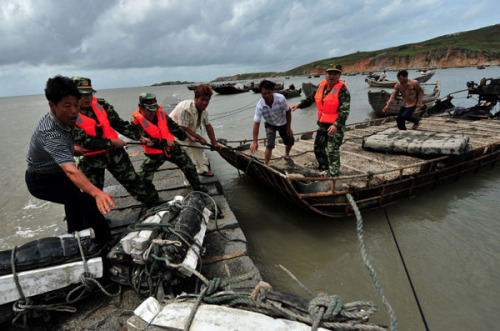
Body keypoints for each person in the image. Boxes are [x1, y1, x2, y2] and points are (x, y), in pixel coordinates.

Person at [25, 76, 114, 243]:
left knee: (73, 202)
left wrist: (71, 149)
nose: (74, 111)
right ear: (52, 105)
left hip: (56, 173)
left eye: (76, 104)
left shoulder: (63, 117)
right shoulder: (50, 133)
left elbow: (55, 147)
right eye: (67, 106)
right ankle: (106, 245)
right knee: (87, 201)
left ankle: (76, 238)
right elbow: (70, 170)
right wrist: (97, 193)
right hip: (41, 181)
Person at [71, 76, 158, 206]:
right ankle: (96, 222)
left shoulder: (101, 104)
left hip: (114, 154)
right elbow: (85, 141)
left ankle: (155, 205)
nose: (88, 97)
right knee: (92, 195)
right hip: (90, 159)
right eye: (83, 95)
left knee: (135, 183)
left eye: (90, 93)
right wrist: (111, 143)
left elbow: (119, 123)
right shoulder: (68, 114)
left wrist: (139, 137)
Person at [131, 93, 206, 193]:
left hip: (171, 148)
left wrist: (189, 137)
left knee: (188, 166)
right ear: (141, 107)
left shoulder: (161, 114)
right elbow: (147, 140)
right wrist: (165, 142)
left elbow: (175, 128)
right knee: (142, 177)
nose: (153, 113)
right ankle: (152, 197)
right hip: (154, 153)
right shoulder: (136, 121)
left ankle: (198, 187)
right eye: (149, 111)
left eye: (154, 110)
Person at [290, 63, 350, 176]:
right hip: (323, 123)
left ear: (339, 75)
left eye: (335, 74)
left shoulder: (343, 91)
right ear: (325, 74)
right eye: (329, 73)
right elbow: (309, 100)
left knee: (332, 149)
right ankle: (323, 167)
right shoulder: (320, 87)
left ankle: (333, 174)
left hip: (336, 125)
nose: (331, 76)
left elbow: (345, 111)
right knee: (318, 147)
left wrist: (336, 125)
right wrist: (297, 106)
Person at [169, 84, 222, 176]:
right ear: (196, 98)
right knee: (185, 154)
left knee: (198, 148)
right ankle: (188, 181)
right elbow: (183, 127)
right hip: (174, 133)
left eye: (207, 100)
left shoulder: (204, 111)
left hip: (187, 131)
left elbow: (208, 126)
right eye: (202, 100)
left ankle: (201, 170)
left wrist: (214, 143)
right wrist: (199, 137)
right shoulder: (185, 109)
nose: (205, 103)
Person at [250, 80, 294, 165]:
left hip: (282, 123)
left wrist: (289, 127)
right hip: (270, 124)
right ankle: (266, 164)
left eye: (269, 93)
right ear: (260, 94)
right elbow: (256, 124)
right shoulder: (260, 106)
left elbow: (288, 111)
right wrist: (255, 141)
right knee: (269, 145)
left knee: (290, 141)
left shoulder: (281, 99)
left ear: (273, 91)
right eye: (264, 94)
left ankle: (287, 154)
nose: (266, 96)